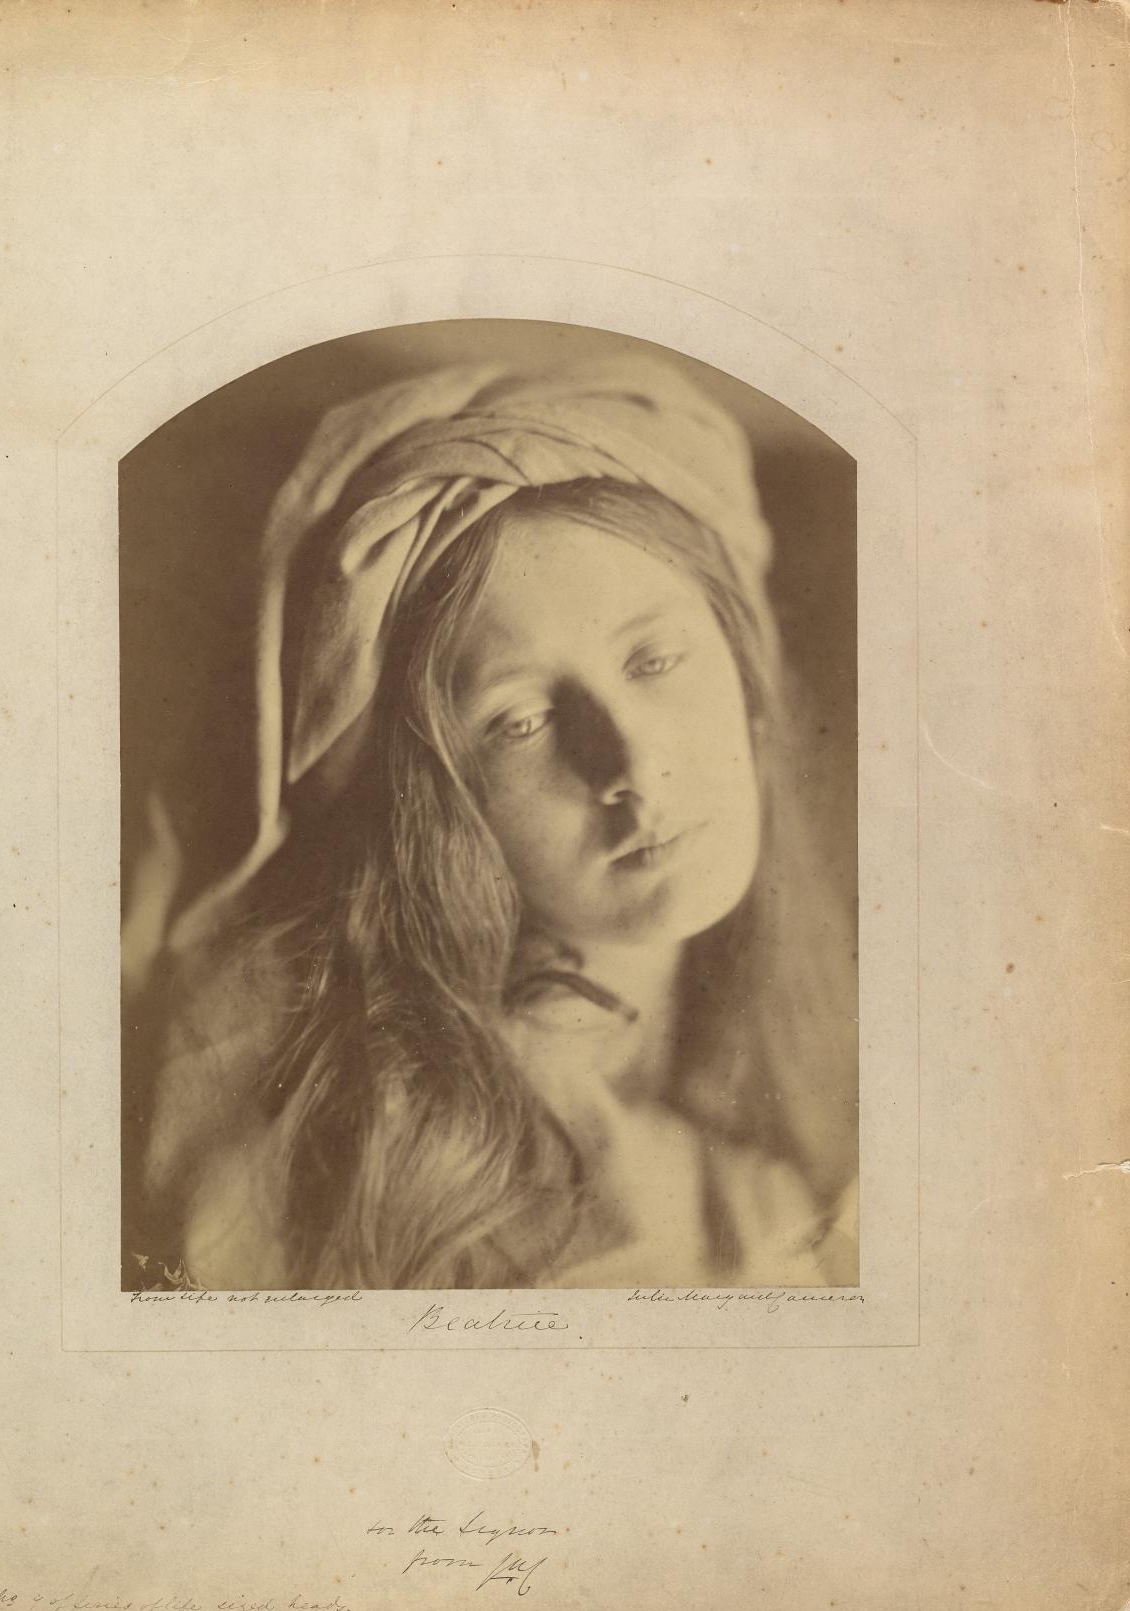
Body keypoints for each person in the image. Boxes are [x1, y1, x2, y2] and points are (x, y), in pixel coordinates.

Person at [122, 354, 859, 1291]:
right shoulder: (380, 1136)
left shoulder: (809, 1001)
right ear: (435, 800)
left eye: (655, 661)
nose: (634, 766)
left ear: (746, 673)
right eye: (521, 721)